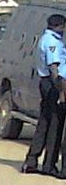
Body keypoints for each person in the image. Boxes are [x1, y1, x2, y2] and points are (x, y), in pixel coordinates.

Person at [22, 13, 66, 176]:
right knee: (55, 125)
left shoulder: (45, 38)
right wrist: (61, 91)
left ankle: (32, 160)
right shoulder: (52, 42)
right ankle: (48, 165)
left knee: (44, 123)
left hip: (46, 83)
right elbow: (54, 68)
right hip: (54, 84)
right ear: (60, 26)